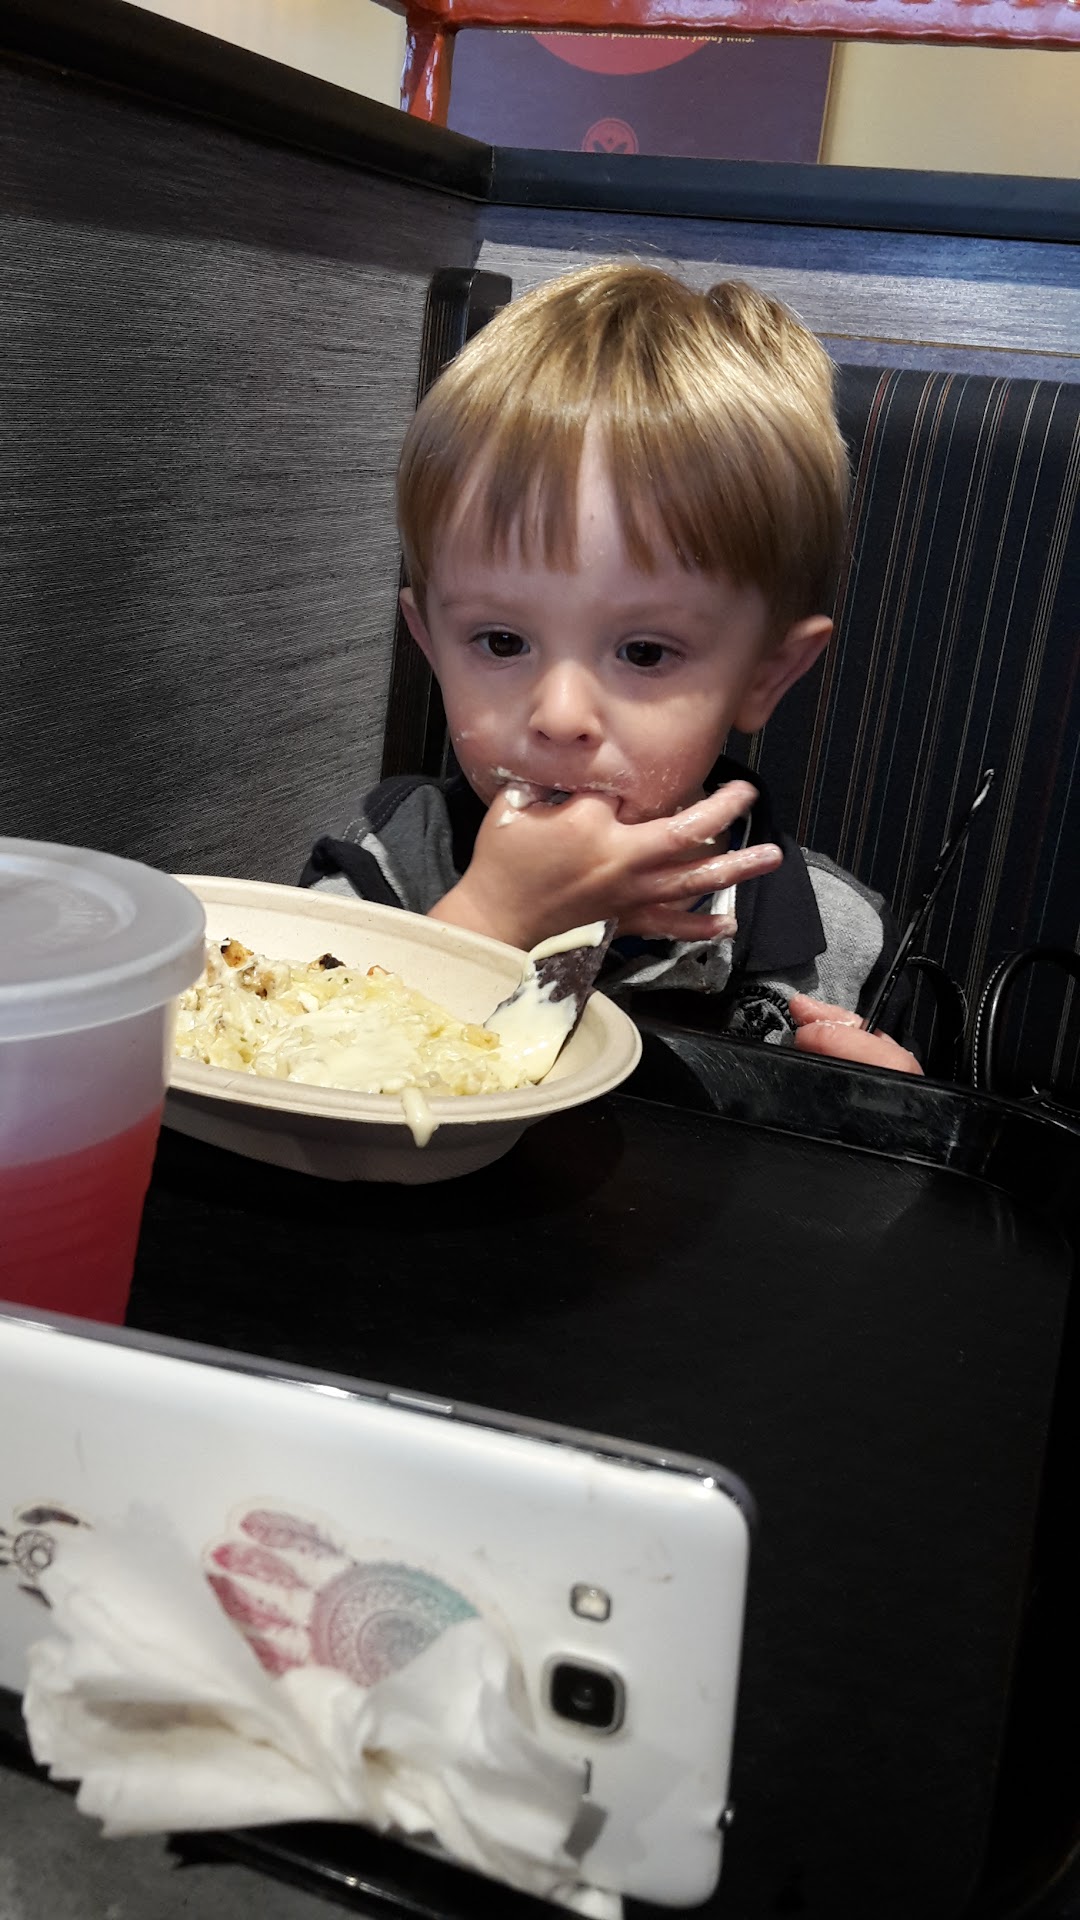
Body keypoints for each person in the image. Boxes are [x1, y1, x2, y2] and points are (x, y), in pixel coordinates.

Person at [303, 265, 919, 1074]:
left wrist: (879, 1115)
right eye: (500, 641)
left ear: (765, 675)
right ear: (431, 644)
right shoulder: (382, 870)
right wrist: (491, 917)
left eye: (644, 652)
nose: (560, 715)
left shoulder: (833, 940)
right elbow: (307, 1072)